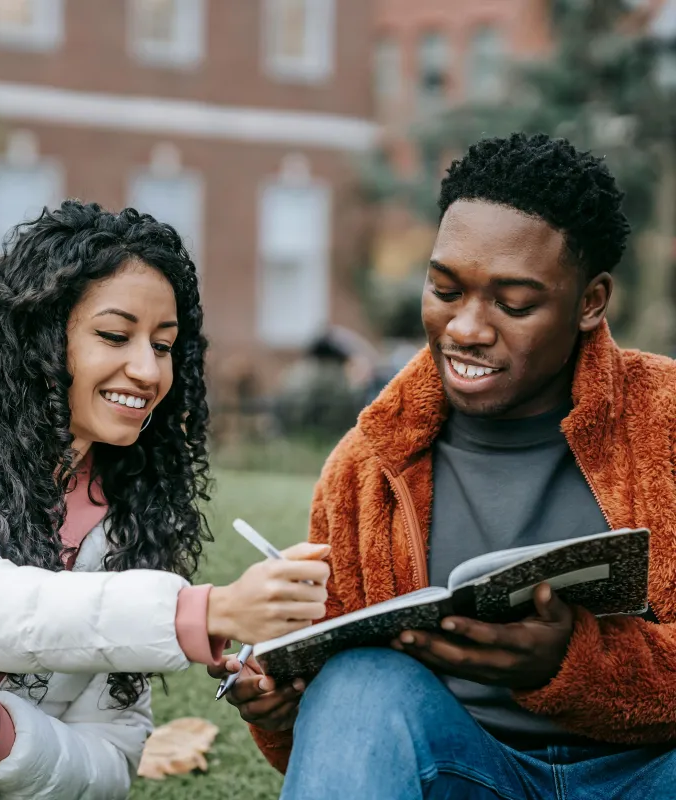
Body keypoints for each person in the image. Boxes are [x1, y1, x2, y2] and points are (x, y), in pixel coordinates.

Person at [213, 133, 676, 799]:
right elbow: (349, 743)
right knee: (356, 682)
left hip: (649, 774)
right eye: (444, 288)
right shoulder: (366, 467)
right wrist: (278, 701)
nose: (466, 327)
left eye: (514, 302)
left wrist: (575, 664)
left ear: (590, 301)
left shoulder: (664, 422)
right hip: (465, 770)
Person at [0, 200, 330, 800]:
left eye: (164, 345)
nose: (146, 369)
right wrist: (201, 613)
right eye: (115, 335)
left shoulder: (131, 516)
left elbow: (112, 758)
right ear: (37, 336)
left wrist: (2, 736)